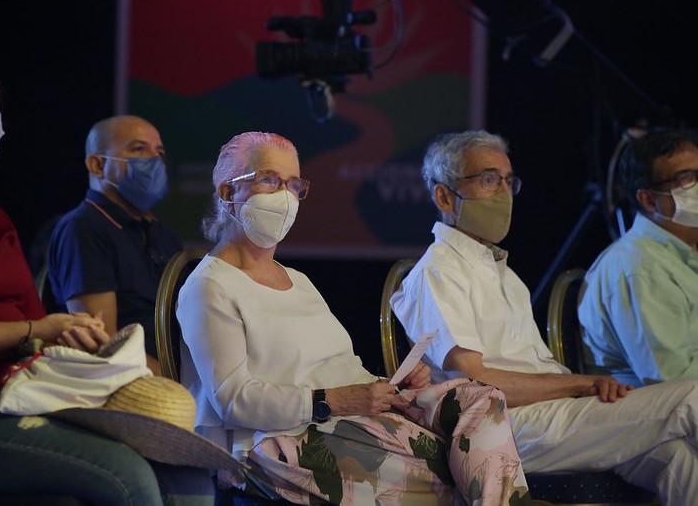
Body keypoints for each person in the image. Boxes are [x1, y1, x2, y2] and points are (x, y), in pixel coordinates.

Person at [0, 35, 212, 505]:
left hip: (23, 395)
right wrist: (36, 327)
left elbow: (37, 332)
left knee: (189, 477)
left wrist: (69, 331)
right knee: (129, 479)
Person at [177, 131, 532, 505]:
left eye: (293, 184)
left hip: (350, 420)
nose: (284, 196)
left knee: (481, 399)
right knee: (459, 468)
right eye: (269, 179)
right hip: (279, 441)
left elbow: (340, 369)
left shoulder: (298, 281)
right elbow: (234, 401)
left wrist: (390, 386)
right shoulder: (210, 285)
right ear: (227, 193)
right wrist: (338, 400)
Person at [390, 129, 698, 504]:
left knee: (679, 461)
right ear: (444, 195)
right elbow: (476, 381)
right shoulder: (437, 271)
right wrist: (579, 385)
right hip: (502, 427)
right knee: (692, 398)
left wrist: (576, 389)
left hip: (556, 414)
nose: (503, 192)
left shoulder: (501, 270)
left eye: (507, 181)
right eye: (488, 179)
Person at [47, 115, 182, 376]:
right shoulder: (83, 228)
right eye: (139, 149)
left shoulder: (162, 233)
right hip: (135, 384)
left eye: (159, 152)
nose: (154, 160)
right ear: (97, 165)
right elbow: (102, 342)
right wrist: (178, 385)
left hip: (182, 377)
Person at [579, 130, 698, 387]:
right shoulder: (639, 265)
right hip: (657, 414)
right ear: (648, 199)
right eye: (686, 178)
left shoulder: (685, 254)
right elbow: (672, 380)